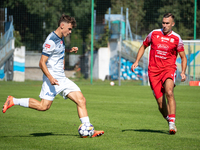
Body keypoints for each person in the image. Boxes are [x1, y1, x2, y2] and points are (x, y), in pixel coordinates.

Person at [2, 14, 104, 137]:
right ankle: (13, 100)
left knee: (81, 100)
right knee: (43, 106)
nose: (70, 32)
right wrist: (50, 78)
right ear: (62, 25)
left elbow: (58, 50)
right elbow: (41, 62)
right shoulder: (51, 40)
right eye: (69, 29)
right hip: (52, 79)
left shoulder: (60, 38)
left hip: (62, 79)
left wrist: (69, 50)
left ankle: (88, 130)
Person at [131, 13, 187, 134]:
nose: (165, 25)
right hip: (153, 72)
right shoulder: (154, 34)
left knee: (169, 92)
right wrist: (136, 61)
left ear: (173, 24)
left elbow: (183, 57)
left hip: (169, 69)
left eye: (167, 23)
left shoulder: (177, 38)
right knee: (161, 105)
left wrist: (183, 72)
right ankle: (169, 120)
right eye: (163, 23)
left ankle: (172, 124)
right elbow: (143, 46)